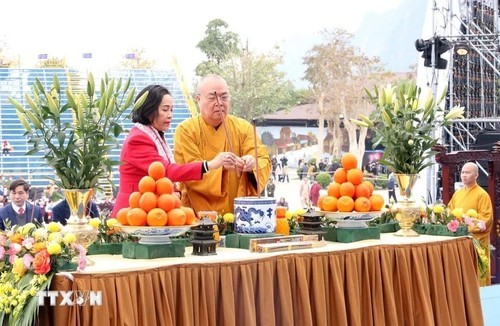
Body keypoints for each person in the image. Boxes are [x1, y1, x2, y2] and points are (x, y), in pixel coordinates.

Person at [111, 84, 236, 217]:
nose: (170, 115)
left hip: (151, 210)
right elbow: (166, 171)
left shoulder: (153, 135)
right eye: (165, 110)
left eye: (171, 110)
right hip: (133, 211)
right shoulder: (138, 140)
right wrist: (209, 165)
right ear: (148, 111)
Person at [174, 74, 271, 214]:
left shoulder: (243, 128)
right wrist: (220, 167)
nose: (219, 103)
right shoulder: (186, 130)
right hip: (199, 217)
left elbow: (262, 160)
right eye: (212, 98)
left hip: (241, 215)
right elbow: (188, 171)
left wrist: (251, 165)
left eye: (224, 97)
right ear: (198, 99)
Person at [447, 162, 493, 286]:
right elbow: (449, 211)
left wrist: (468, 221)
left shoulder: (482, 195)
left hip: (476, 241)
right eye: (462, 172)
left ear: (476, 175)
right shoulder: (458, 193)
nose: (464, 175)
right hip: (460, 240)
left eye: (468, 172)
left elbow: (486, 219)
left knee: (477, 273)